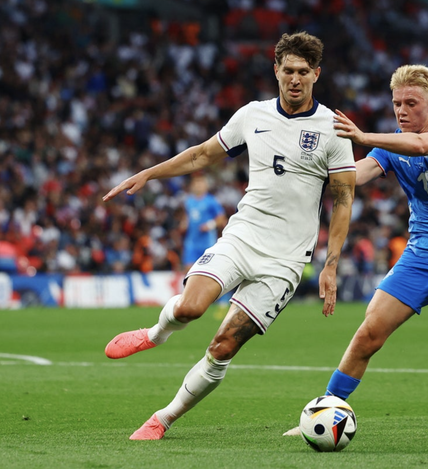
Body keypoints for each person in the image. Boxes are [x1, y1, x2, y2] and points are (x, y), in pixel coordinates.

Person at [102, 31, 356, 440]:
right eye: (288, 70)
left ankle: (162, 418)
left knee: (223, 346)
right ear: (276, 71)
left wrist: (331, 264)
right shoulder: (252, 115)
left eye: (303, 72)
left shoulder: (333, 129)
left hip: (285, 261)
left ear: (316, 75)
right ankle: (154, 334)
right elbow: (203, 154)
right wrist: (150, 172)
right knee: (190, 309)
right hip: (241, 237)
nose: (295, 79)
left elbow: (343, 199)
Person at [284, 64, 428, 435]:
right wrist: (309, 170)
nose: (402, 111)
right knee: (369, 333)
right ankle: (325, 410)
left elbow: (422, 146)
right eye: (396, 104)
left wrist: (362, 134)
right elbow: (355, 175)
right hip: (421, 256)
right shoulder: (391, 148)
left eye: (411, 103)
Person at [181, 174, 226, 271]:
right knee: (188, 270)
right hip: (191, 242)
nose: (198, 186)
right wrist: (184, 224)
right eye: (196, 183)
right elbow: (187, 217)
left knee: (207, 271)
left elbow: (221, 218)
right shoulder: (189, 201)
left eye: (200, 183)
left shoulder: (211, 201)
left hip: (207, 243)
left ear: (206, 186)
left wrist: (210, 225)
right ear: (192, 186)